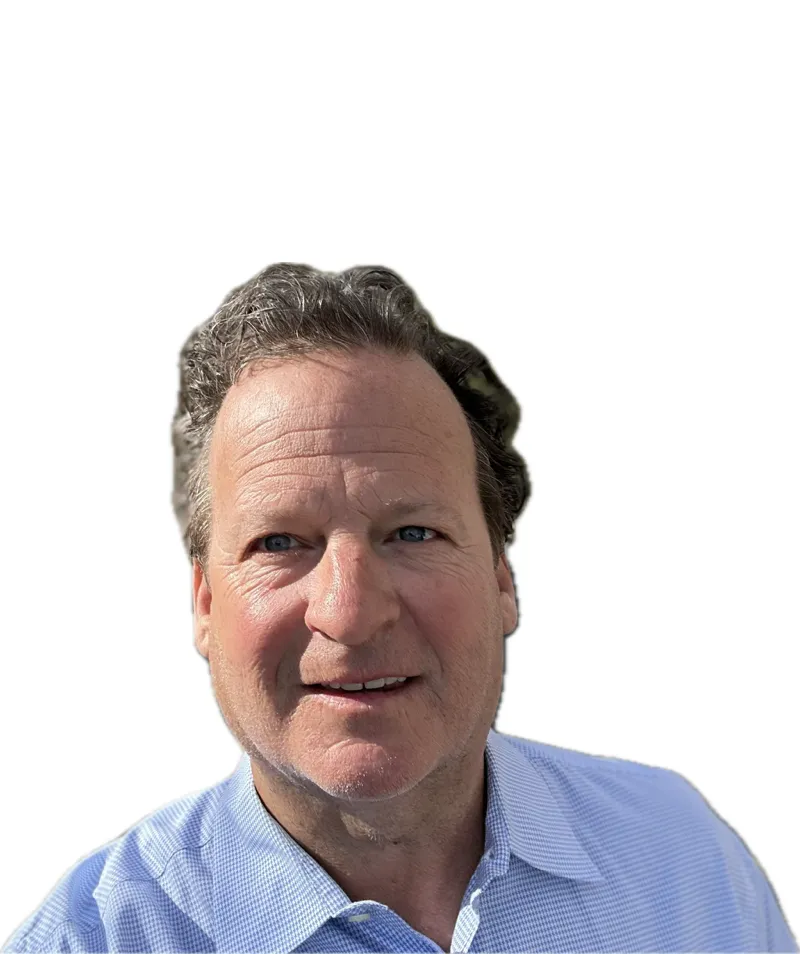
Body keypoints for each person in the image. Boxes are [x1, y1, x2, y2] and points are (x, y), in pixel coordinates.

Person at [4, 263, 796, 954]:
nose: (349, 613)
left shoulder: (686, 865)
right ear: (205, 604)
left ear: (502, 578)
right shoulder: (94, 940)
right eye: (280, 543)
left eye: (413, 532)